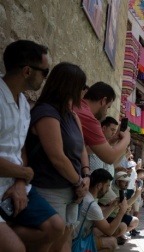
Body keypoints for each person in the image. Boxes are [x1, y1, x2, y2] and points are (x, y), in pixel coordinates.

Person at [0, 40, 64, 252]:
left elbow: (20, 148)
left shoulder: (24, 105)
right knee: (16, 248)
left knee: (55, 227)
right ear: (27, 71)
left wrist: (20, 180)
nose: (46, 79)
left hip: (15, 182)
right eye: (45, 72)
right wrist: (25, 172)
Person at [25, 62, 91, 252]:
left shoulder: (72, 115)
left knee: (64, 244)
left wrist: (86, 175)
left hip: (72, 190)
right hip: (49, 189)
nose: (84, 92)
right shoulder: (46, 113)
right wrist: (79, 182)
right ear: (69, 86)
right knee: (47, 246)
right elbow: (57, 157)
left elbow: (82, 149)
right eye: (82, 87)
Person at [74, 82, 131, 166]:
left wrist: (112, 140)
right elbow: (109, 157)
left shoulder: (76, 105)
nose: (106, 113)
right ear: (103, 101)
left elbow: (85, 150)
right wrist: (126, 139)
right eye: (108, 107)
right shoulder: (89, 119)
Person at [73, 169, 128, 252]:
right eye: (107, 186)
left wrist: (113, 206)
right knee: (111, 242)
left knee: (116, 230)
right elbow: (109, 231)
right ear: (99, 186)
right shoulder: (91, 204)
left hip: (80, 234)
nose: (108, 190)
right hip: (76, 241)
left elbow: (100, 217)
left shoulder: (88, 197)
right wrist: (122, 212)